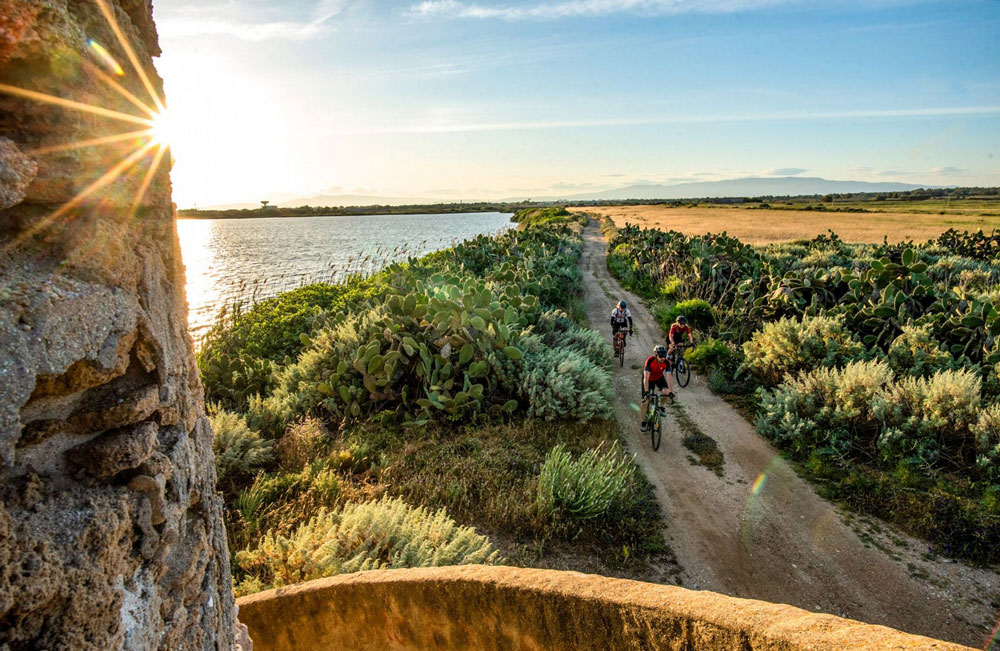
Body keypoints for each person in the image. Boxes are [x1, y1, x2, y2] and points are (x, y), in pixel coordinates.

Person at [640, 344, 674, 431]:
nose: (663, 358)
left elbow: (668, 377)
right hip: (649, 379)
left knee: (665, 392)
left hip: (659, 378)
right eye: (660, 356)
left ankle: (661, 407)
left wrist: (670, 392)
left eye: (664, 356)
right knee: (645, 401)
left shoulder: (666, 362)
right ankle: (643, 422)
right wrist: (647, 392)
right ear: (656, 355)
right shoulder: (650, 361)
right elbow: (646, 378)